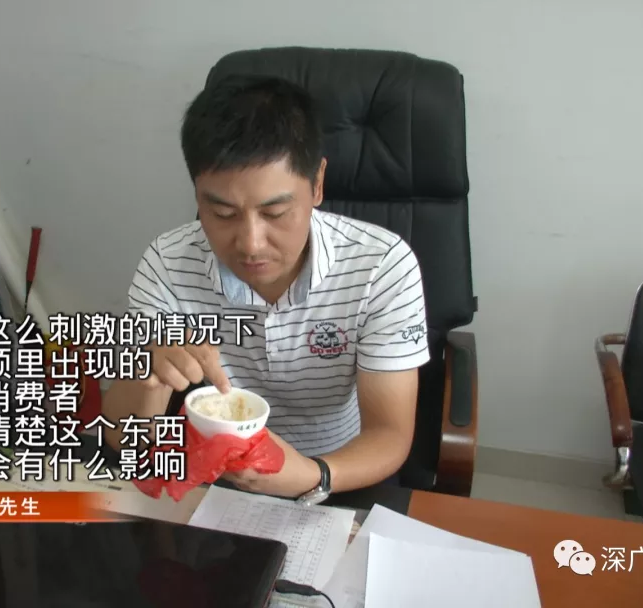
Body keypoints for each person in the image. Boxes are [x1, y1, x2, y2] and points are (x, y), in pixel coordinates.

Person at [101, 74, 430, 500]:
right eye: (223, 214)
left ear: (317, 183)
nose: (251, 244)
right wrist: (150, 372)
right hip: (217, 473)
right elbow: (122, 437)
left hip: (337, 472)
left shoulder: (382, 266)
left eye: (275, 213)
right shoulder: (168, 263)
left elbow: (389, 434)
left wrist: (312, 475)